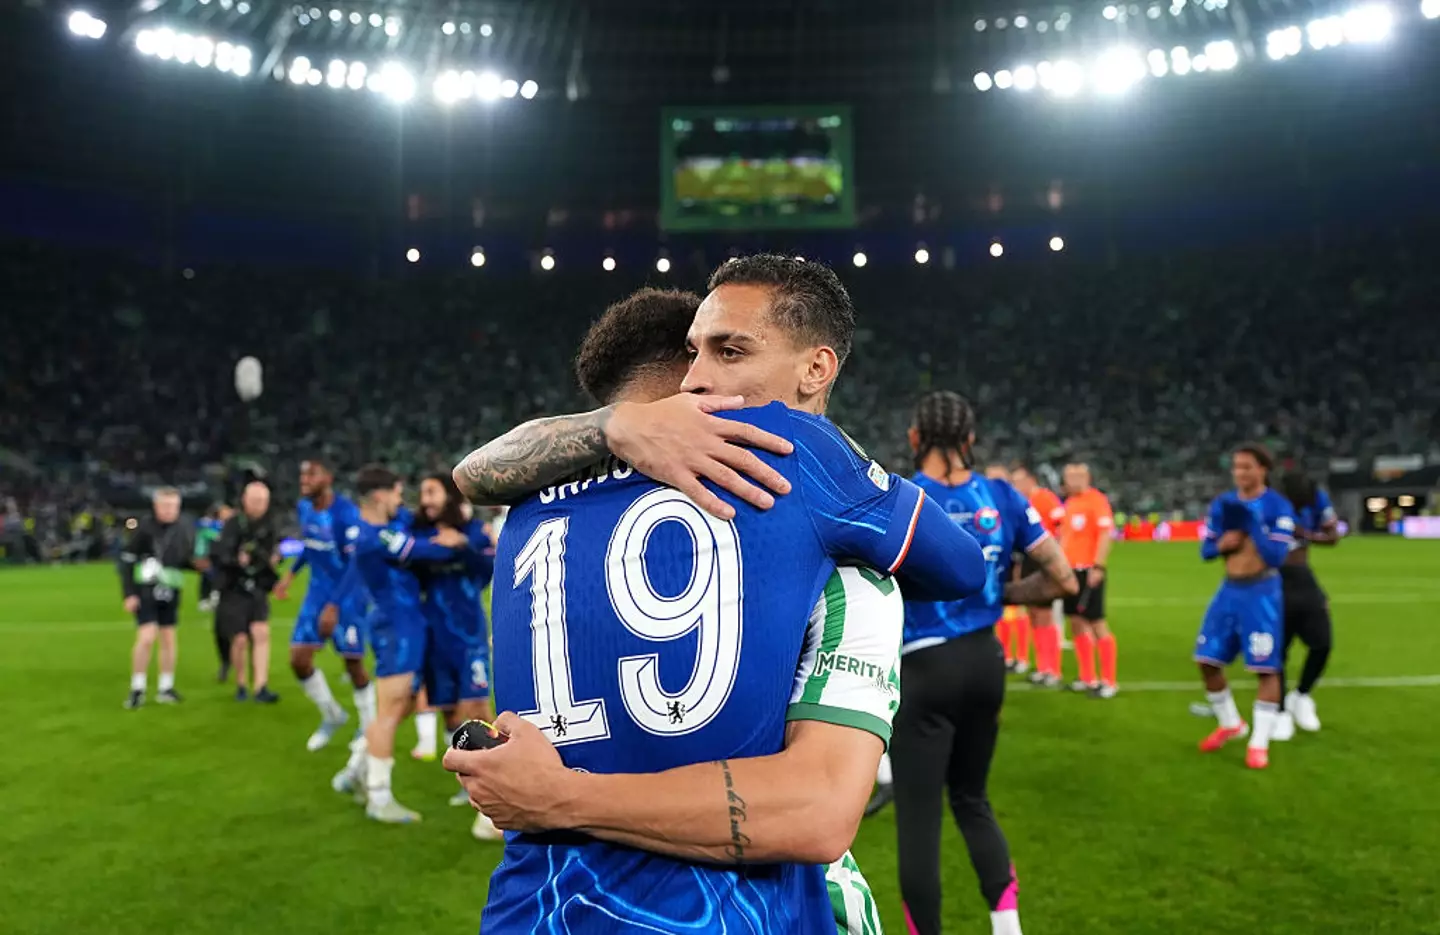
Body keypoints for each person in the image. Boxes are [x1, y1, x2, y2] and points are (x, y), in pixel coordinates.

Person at [447, 263, 988, 933]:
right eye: (699, 354)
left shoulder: (523, 499)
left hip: (532, 908)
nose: (701, 377)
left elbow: (469, 472)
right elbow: (965, 568)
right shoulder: (798, 457)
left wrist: (610, 426)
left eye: (728, 351)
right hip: (716, 911)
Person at [890, 391, 1078, 935]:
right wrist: (1001, 597)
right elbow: (1064, 578)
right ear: (971, 441)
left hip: (924, 667)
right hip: (987, 662)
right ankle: (1008, 925)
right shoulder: (1003, 495)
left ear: (914, 438)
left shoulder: (902, 498)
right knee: (972, 798)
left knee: (919, 823)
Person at [324, 465, 468, 823]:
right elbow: (423, 551)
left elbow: (411, 524)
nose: (401, 501)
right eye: (396, 493)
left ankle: (355, 769)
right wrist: (456, 542)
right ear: (379, 495)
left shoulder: (379, 527)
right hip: (396, 629)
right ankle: (378, 797)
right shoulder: (374, 537)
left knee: (400, 706)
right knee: (388, 712)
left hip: (404, 626)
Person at [1195, 443, 1297, 770]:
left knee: (1266, 667)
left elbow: (1277, 556)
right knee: (1207, 661)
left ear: (1262, 469)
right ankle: (1231, 723)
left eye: (1247, 467)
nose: (1240, 473)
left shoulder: (1277, 506)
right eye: (1236, 467)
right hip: (1229, 590)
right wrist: (1220, 544)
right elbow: (1206, 551)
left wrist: (1253, 526)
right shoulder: (1223, 504)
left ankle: (1259, 742)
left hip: (1262, 592)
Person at [408, 472, 499, 838]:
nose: (425, 500)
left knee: (477, 711)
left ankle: (498, 805)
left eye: (430, 492)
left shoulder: (475, 532)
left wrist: (462, 546)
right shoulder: (419, 536)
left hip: (469, 636)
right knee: (450, 713)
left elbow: (489, 571)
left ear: (448, 495)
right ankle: (473, 782)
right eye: (421, 493)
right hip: (435, 638)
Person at [274, 458, 375, 752]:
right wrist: (290, 575)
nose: (304, 480)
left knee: (353, 663)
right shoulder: (304, 508)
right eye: (302, 474)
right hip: (316, 594)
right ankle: (333, 715)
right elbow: (310, 546)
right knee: (299, 660)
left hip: (348, 596)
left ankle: (367, 728)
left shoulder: (345, 514)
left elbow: (355, 565)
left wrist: (334, 606)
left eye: (311, 474)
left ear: (328, 478)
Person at [118, 487, 198, 709]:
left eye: (173, 506)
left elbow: (185, 558)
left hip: (171, 587)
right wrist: (129, 593)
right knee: (146, 636)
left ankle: (165, 687)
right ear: (156, 506)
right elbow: (126, 561)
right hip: (146, 589)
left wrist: (199, 566)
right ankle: (137, 687)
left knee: (169, 637)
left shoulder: (184, 528)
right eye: (165, 505)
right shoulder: (143, 528)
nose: (169, 510)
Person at [1277, 469, 1339, 732]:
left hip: (1302, 577)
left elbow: (1333, 537)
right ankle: (1278, 710)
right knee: (1277, 650)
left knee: (1322, 643)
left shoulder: (1317, 499)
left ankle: (1301, 695)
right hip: (1271, 578)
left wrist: (1305, 535)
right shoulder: (1269, 503)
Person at [212, 481, 282, 703]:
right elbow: (221, 555)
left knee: (261, 633)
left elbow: (273, 551)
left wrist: (273, 558)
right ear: (245, 500)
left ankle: (261, 686)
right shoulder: (232, 524)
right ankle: (241, 684)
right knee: (240, 639)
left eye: (263, 501)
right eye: (255, 500)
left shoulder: (270, 524)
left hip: (258, 586)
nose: (259, 505)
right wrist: (236, 560)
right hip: (233, 588)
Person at [1058, 462, 1118, 697]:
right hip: (1070, 570)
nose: (1072, 481)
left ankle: (1109, 681)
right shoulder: (1071, 503)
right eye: (1068, 477)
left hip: (1088, 569)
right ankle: (1087, 677)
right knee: (1076, 621)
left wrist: (1098, 566)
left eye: (1076, 476)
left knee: (1096, 622)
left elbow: (1105, 534)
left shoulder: (1097, 501)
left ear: (1087, 477)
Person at [1010, 463, 1067, 688]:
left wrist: (1056, 561)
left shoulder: (1046, 498)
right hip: (1028, 560)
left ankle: (1053, 669)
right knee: (1034, 614)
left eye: (1018, 481)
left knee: (1044, 615)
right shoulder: (1022, 503)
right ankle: (1043, 667)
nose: (1015, 486)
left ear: (1030, 480)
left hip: (1043, 561)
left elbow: (1062, 527)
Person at [983, 464, 1031, 677]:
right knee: (999, 610)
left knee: (1016, 609)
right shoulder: (984, 504)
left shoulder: (1013, 505)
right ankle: (1005, 654)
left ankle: (1021, 656)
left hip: (1013, 561)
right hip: (991, 563)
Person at [197, 504, 234, 681]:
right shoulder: (212, 531)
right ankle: (226, 662)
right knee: (221, 629)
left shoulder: (239, 529)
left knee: (249, 631)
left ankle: (252, 674)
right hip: (222, 582)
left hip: (241, 584)